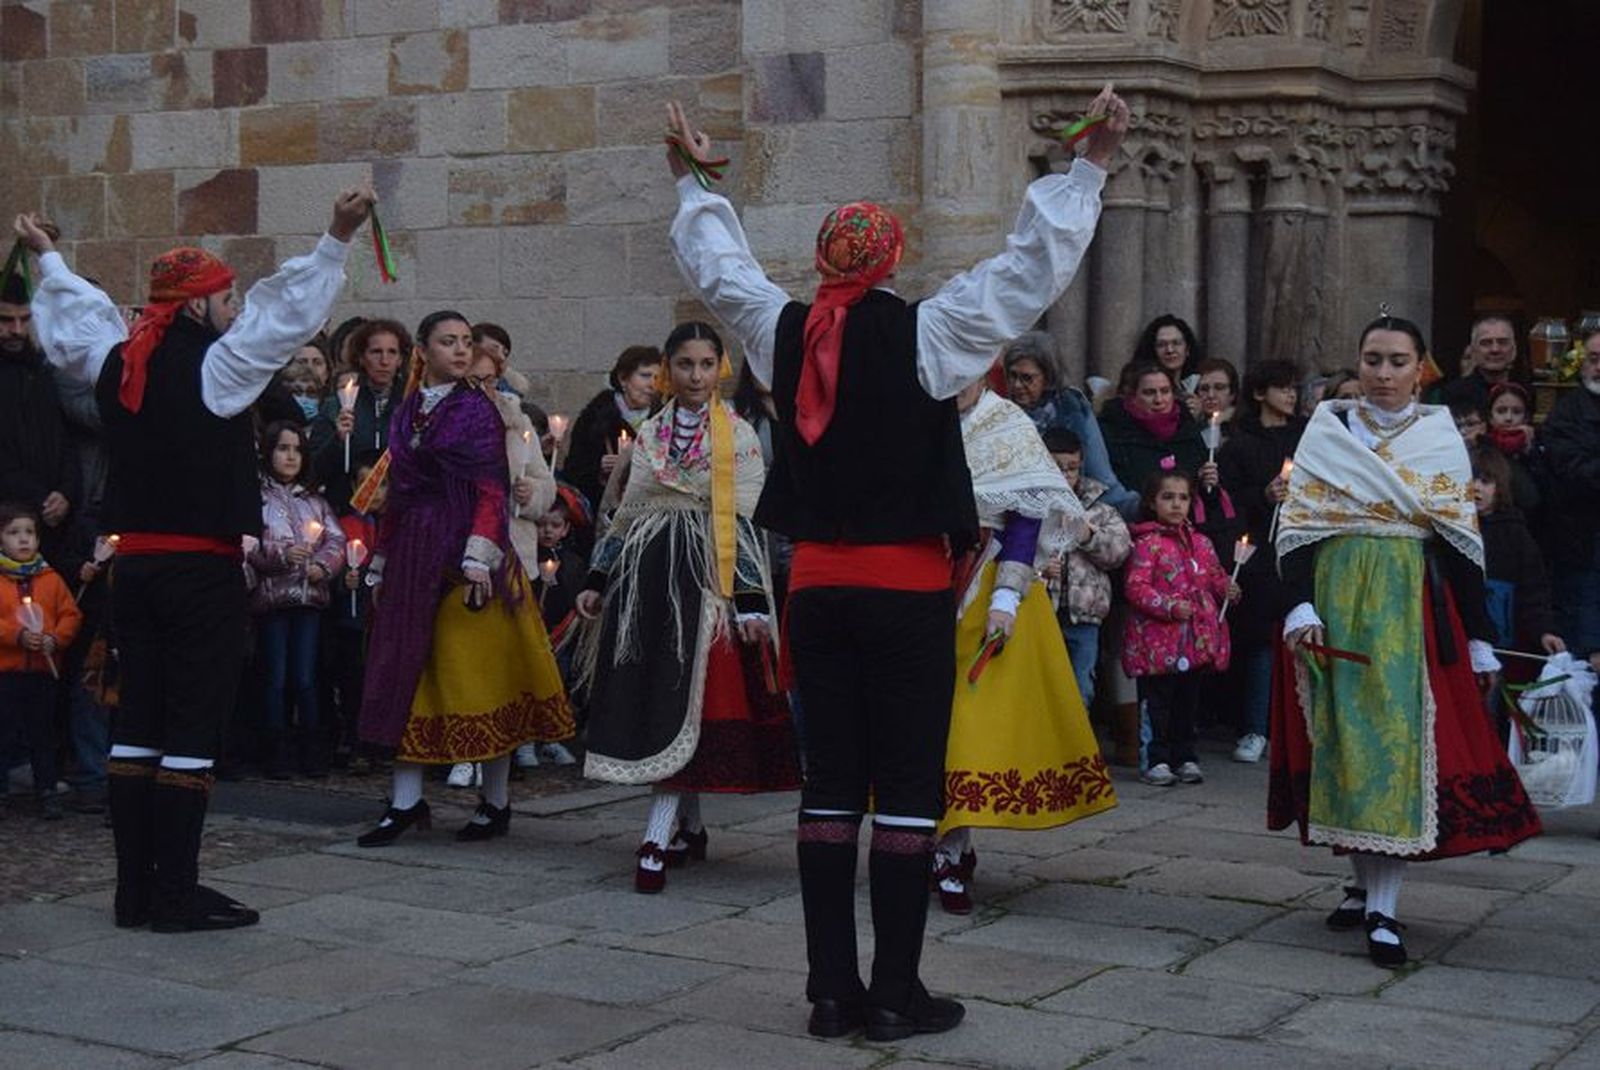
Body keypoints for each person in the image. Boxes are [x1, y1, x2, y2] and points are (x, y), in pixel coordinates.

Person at [665, 86, 1126, 1040]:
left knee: (830, 783)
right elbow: (1027, 270)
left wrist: (692, 182)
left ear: (823, 258)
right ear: (890, 261)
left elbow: (722, 271)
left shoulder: (776, 326)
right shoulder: (933, 330)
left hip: (818, 590)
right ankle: (894, 995)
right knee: (910, 788)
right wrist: (1089, 167)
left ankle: (830, 991)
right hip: (908, 589)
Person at [18, 185, 373, 932]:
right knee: (189, 731)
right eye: (223, 298)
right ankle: (174, 892)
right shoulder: (215, 369)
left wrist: (47, 256)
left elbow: (75, 313)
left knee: (139, 722)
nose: (234, 310)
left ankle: (134, 892)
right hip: (198, 571)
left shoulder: (117, 360)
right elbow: (285, 319)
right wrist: (338, 232)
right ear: (194, 307)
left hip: (134, 572)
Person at [1269, 314, 1542, 969]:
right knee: (1343, 741)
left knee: (1392, 748)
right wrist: (1299, 601)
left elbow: (1458, 542)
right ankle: (1361, 887)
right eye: (1372, 360)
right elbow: (1299, 523)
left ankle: (1386, 909)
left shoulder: (1439, 437)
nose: (1383, 374)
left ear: (1422, 368)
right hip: (1335, 597)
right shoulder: (1327, 431)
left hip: (1406, 606)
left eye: (1397, 361)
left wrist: (1480, 636)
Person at [576, 321, 800, 892]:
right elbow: (626, 512)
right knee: (664, 698)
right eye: (684, 365)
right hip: (648, 582)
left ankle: (656, 837)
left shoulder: (740, 434)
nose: (696, 375)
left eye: (705, 364)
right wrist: (599, 577)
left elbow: (747, 521)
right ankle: (688, 827)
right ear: (668, 369)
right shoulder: (651, 433)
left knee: (691, 702)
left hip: (710, 583)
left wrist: (750, 602)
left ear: (720, 367)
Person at [354, 310, 574, 848]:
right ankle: (405, 802)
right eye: (447, 342)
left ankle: (495, 801)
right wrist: (381, 558)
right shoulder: (409, 410)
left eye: (465, 341)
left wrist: (480, 557)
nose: (458, 349)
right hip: (414, 552)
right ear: (422, 352)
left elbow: (492, 489)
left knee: (480, 678)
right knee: (408, 671)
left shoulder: (478, 409)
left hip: (468, 558)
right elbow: (399, 492)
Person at [932, 382, 1117, 915]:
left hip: (991, 589)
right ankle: (938, 843)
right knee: (930, 729)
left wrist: (1008, 596)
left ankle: (950, 850)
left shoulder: (1008, 424)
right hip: (925, 584)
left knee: (969, 728)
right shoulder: (919, 416)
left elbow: (1026, 515)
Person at [1121, 465, 1238, 786]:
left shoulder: (1201, 543)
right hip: (1157, 644)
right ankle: (1155, 758)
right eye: (1167, 497)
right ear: (1151, 502)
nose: (1176, 504)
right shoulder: (1147, 544)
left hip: (1194, 640)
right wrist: (1169, 606)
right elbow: (1136, 587)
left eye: (1183, 498)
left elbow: (1212, 575)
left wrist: (1227, 586)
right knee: (1157, 703)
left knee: (1188, 703)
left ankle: (1184, 755)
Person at [1217, 359, 1306, 764]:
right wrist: (1262, 496)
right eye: (1282, 387)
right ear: (1259, 393)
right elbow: (1227, 502)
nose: (1291, 394)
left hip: (1300, 547)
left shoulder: (1307, 438)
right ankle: (1254, 727)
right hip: (1257, 554)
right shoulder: (1239, 444)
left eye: (1294, 387)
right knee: (1259, 642)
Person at [246, 421, 345, 779]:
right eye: (282, 448)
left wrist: (322, 566)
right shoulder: (257, 498)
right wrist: (282, 556)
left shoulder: (314, 502)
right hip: (273, 600)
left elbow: (336, 541)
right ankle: (276, 751)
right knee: (275, 677)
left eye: (296, 450)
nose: (290, 456)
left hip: (308, 600)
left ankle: (313, 749)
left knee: (305, 677)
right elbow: (251, 543)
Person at [0, 502, 82, 818]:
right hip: (7, 672)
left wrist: (55, 638)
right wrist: (16, 636)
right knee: (4, 734)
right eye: (13, 533)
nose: (23, 540)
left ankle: (46, 790)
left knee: (42, 734)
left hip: (41, 671)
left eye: (29, 533)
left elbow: (70, 614)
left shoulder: (50, 579)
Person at [1001, 331, 1137, 518]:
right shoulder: (999, 411)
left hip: (1072, 511)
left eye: (1027, 378)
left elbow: (1098, 473)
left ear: (1047, 377)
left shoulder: (1071, 408)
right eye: (1012, 375)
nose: (1016, 385)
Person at [1041, 428, 1131, 710]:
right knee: (1041, 684)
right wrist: (1041, 568)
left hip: (1084, 615)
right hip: (1042, 612)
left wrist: (1088, 536)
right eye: (1057, 467)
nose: (1065, 474)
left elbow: (1119, 552)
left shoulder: (1100, 509)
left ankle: (1077, 746)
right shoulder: (1034, 506)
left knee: (1081, 685)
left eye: (1071, 467)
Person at [0, 271, 81, 574]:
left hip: (51, 528)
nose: (16, 330)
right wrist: (40, 498)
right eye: (6, 320)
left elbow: (65, 437)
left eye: (24, 319)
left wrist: (66, 492)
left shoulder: (41, 371)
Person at [1537, 327, 1600, 658]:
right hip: (1580, 546)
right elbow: (1570, 469)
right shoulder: (1566, 412)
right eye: (1594, 359)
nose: (1599, 367)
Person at [309, 319, 410, 510]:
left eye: (392, 352)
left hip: (399, 514)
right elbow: (313, 471)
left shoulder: (411, 406)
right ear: (361, 358)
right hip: (346, 513)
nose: (384, 361)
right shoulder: (337, 405)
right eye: (376, 352)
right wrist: (337, 440)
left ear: (400, 360)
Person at [1100, 361, 1210, 521]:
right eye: (1149, 393)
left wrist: (1207, 482)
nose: (1159, 400)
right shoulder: (1113, 431)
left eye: (1165, 391)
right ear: (1133, 396)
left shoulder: (1187, 429)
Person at [333, 452, 385, 773]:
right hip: (354, 617)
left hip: (381, 619)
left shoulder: (392, 525)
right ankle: (353, 741)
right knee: (354, 682)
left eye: (381, 485)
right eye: (366, 483)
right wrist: (344, 579)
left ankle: (377, 743)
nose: (374, 491)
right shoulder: (345, 524)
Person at [565, 345, 662, 515]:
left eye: (658, 378)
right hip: (605, 513)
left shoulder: (663, 420)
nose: (652, 384)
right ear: (623, 379)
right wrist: (599, 467)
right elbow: (573, 471)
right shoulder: (594, 419)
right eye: (645, 376)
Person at [1441, 314, 1523, 414]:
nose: (1495, 349)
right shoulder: (1454, 393)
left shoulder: (1527, 390)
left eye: (1502, 342)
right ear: (1473, 350)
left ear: (1514, 349)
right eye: (1486, 343)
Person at [1482, 381, 1542, 514]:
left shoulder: (1538, 447)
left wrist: (1531, 453)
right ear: (1490, 417)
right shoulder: (1482, 448)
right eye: (1501, 411)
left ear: (1526, 418)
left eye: (1516, 412)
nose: (1508, 418)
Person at [1132, 315, 1203, 416]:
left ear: (1187, 349)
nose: (1170, 350)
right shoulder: (1139, 390)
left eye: (1176, 343)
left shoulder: (1199, 389)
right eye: (1161, 345)